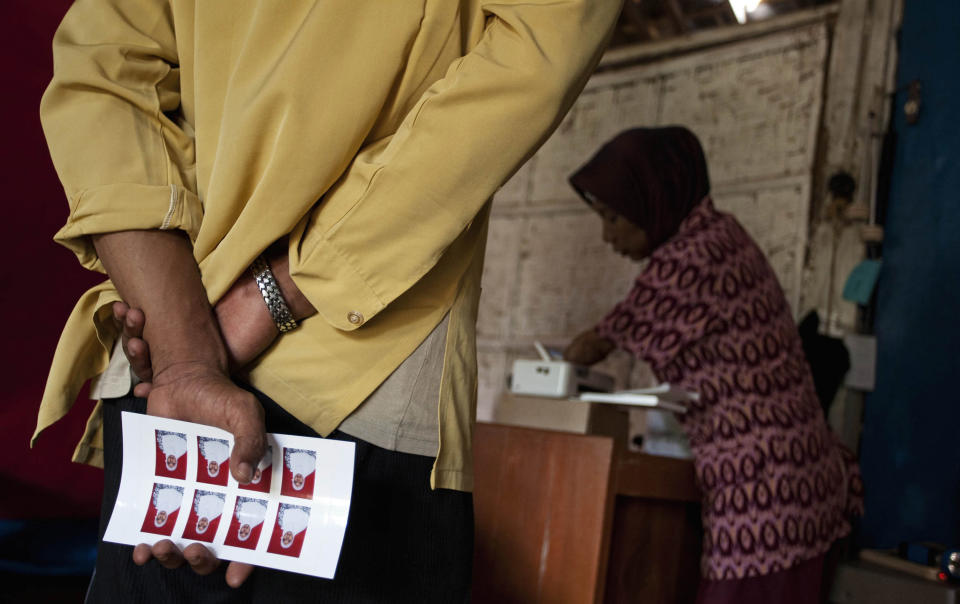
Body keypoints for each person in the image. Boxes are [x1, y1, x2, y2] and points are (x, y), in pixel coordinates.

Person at [37, 0, 622, 601]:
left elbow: (100, 68)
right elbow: (541, 50)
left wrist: (183, 341)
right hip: (353, 382)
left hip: (164, 366)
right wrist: (270, 296)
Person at [564, 127, 863, 604]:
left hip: (768, 497)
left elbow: (590, 347)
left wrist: (551, 369)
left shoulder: (696, 255)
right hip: (793, 486)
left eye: (614, 217)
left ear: (653, 200)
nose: (608, 235)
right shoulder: (719, 234)